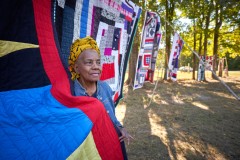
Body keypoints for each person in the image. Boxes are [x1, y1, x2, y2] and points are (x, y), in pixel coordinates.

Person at [68, 36, 133, 159]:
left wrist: (120, 128)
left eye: (98, 62)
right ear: (77, 68)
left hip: (110, 142)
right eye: (89, 62)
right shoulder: (71, 92)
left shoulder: (105, 88)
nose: (96, 67)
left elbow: (112, 117)